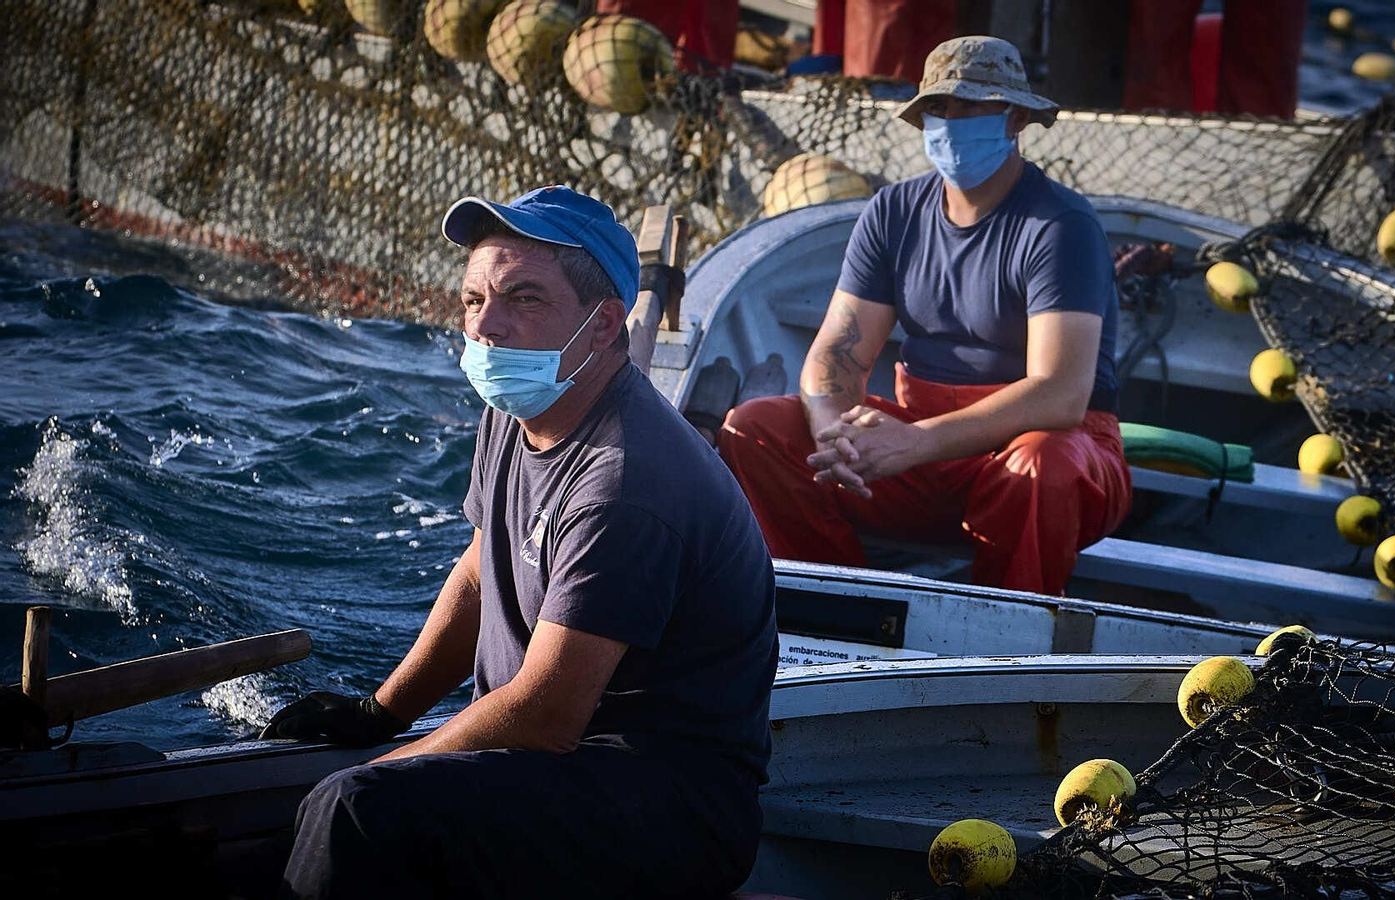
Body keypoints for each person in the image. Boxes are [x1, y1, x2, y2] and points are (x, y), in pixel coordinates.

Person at [263, 186, 778, 898]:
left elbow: (545, 715)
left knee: (358, 810)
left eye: (523, 299)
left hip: (664, 806)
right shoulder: (522, 410)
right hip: (555, 768)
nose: (487, 327)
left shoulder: (626, 481)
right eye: (474, 300)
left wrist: (385, 769)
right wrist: (380, 714)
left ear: (602, 328)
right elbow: (481, 574)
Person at [719, 36, 1132, 596]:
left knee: (1043, 462)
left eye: (974, 106)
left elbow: (1061, 396)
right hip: (921, 453)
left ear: (1014, 119)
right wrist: (836, 436)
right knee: (755, 428)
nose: (953, 121)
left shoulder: (1061, 225)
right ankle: (833, 603)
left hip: (1038, 453)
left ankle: (1006, 641)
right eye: (939, 108)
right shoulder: (893, 211)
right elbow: (837, 349)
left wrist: (912, 444)